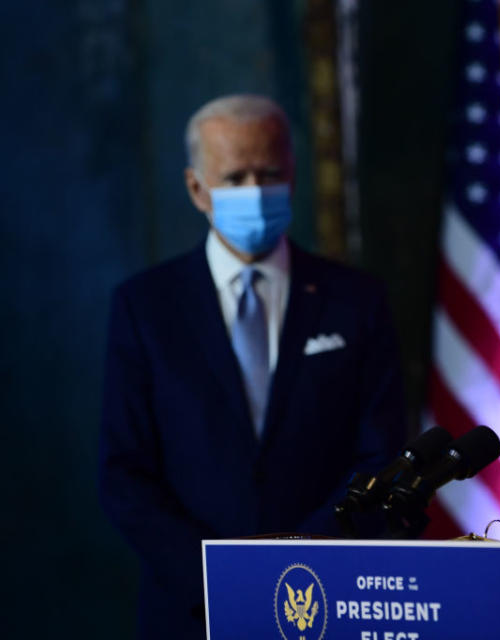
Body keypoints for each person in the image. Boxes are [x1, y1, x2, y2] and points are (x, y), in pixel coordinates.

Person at [99, 94, 405, 639]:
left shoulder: (355, 301)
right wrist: (217, 577)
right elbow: (125, 472)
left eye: (268, 174)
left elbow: (379, 451)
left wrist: (305, 561)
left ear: (292, 174)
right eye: (234, 176)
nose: (253, 192)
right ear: (197, 188)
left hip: (330, 599)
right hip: (191, 613)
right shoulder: (144, 307)